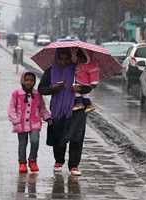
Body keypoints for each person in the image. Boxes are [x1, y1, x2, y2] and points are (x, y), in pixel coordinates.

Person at [38, 48, 92, 176]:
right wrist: (52, 88)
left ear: (70, 58)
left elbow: (88, 87)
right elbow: (41, 89)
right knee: (58, 135)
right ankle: (59, 160)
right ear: (56, 58)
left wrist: (80, 88)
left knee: (76, 137)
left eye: (66, 59)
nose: (63, 62)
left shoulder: (78, 69)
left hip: (77, 108)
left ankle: (74, 165)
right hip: (58, 109)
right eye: (60, 59)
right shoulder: (50, 71)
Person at [8, 72, 52, 173]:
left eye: (31, 80)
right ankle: (22, 163)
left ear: (34, 82)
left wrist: (48, 118)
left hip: (35, 123)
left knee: (35, 140)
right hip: (21, 123)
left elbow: (42, 108)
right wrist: (15, 120)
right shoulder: (16, 94)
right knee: (22, 144)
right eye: (26, 80)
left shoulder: (37, 94)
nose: (29, 82)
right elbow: (11, 108)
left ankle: (32, 160)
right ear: (22, 81)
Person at [72, 48, 99, 113]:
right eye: (78, 58)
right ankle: (85, 105)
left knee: (77, 92)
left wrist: (93, 83)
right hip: (80, 84)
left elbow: (94, 75)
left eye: (81, 58)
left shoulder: (90, 66)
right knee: (84, 95)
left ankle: (82, 104)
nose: (79, 60)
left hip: (86, 86)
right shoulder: (79, 65)